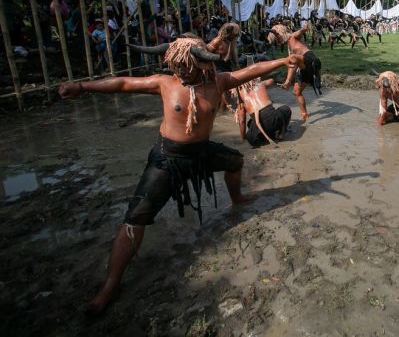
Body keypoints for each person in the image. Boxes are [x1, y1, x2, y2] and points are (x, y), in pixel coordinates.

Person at [58, 36, 303, 315]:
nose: (181, 72)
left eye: (185, 66)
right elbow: (124, 83)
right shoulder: (166, 83)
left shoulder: (218, 82)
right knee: (135, 217)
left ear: (199, 63)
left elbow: (253, 70)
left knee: (235, 160)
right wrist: (81, 87)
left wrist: (284, 61)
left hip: (200, 152)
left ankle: (237, 199)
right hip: (167, 158)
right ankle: (111, 284)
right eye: (176, 66)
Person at [267, 23, 322, 122]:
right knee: (297, 92)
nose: (278, 41)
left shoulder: (293, 37)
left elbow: (301, 31)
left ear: (280, 33)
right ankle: (304, 114)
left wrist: (304, 28)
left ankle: (287, 82)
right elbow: (292, 65)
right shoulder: (289, 45)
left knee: (291, 58)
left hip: (311, 60)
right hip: (304, 68)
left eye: (277, 37)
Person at [236, 77, 292, 146]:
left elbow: (241, 121)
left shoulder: (240, 99)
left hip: (261, 125)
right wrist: (282, 83)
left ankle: (264, 136)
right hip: (273, 119)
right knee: (286, 109)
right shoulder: (261, 84)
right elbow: (272, 80)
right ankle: (281, 134)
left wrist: (242, 138)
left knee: (250, 123)